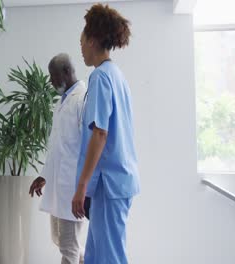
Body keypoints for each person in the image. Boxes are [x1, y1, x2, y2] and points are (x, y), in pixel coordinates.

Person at [72, 4, 141, 264]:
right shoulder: (116, 75)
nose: (80, 48)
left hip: (109, 184)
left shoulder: (101, 77)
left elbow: (99, 134)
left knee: (109, 257)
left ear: (92, 40)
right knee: (95, 255)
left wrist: (81, 187)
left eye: (81, 42)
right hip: (115, 181)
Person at [29, 53, 87, 264]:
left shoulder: (82, 99)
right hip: (59, 185)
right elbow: (58, 147)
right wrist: (44, 175)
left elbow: (88, 146)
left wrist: (83, 187)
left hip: (72, 186)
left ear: (67, 72)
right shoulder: (62, 101)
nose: (51, 82)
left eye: (53, 76)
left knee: (68, 246)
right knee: (61, 240)